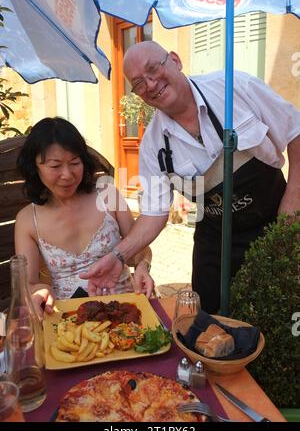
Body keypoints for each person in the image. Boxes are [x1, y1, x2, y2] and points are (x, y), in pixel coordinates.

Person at [81, 41, 300, 313]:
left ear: (175, 60)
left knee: (279, 313)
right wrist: (118, 256)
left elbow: (295, 131)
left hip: (275, 221)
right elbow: (153, 214)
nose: (150, 84)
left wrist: (293, 201)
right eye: (138, 83)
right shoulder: (153, 145)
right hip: (215, 243)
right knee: (212, 324)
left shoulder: (233, 87)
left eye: (153, 69)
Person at [15, 117, 154, 315]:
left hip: (126, 310)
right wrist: (39, 291)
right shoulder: (28, 220)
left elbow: (141, 250)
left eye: (74, 163)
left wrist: (143, 266)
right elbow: (27, 283)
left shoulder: (107, 195)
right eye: (55, 166)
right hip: (68, 322)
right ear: (34, 167)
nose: (67, 174)